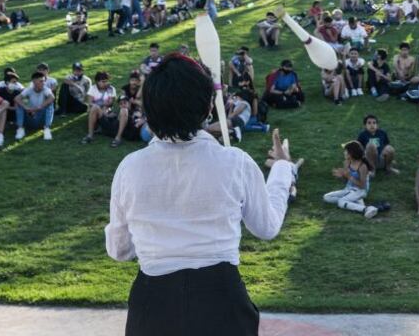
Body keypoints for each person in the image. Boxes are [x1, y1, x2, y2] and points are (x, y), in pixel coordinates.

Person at [105, 56, 298, 336]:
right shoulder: (235, 162)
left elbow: (119, 251)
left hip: (154, 308)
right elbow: (266, 227)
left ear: (148, 109)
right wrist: (282, 169)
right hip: (222, 303)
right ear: (209, 106)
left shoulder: (129, 167)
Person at [323, 140, 379, 219]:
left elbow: (362, 186)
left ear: (352, 153)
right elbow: (346, 180)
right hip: (348, 189)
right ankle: (356, 202)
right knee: (326, 197)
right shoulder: (346, 162)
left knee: (341, 202)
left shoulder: (362, 166)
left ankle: (366, 209)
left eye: (346, 151)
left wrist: (348, 176)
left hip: (360, 191)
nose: (344, 153)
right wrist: (342, 176)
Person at [14, 72, 55, 140]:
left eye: (44, 81)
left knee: (50, 104)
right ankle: (20, 129)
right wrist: (26, 107)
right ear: (34, 82)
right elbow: (16, 98)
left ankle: (47, 129)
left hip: (41, 118)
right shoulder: (29, 90)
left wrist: (40, 107)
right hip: (30, 117)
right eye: (41, 81)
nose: (44, 83)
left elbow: (52, 98)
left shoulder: (46, 89)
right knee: (19, 104)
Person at [82, 71, 117, 143]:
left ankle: (91, 134)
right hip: (96, 110)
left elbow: (110, 103)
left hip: (106, 111)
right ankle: (91, 134)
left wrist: (103, 106)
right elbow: (90, 102)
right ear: (97, 82)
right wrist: (100, 105)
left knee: (97, 108)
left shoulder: (111, 89)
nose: (105, 83)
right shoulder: (93, 88)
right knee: (94, 107)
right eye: (103, 81)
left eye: (107, 81)